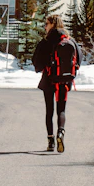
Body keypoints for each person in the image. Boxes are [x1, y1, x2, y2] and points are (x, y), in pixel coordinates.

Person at [32, 15, 77, 153]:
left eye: (46, 24)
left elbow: (36, 61)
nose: (45, 26)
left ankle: (51, 141)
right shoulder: (70, 41)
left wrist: (42, 67)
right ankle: (61, 133)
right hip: (64, 80)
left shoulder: (46, 42)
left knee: (49, 111)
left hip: (49, 80)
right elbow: (78, 60)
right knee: (61, 110)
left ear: (52, 24)